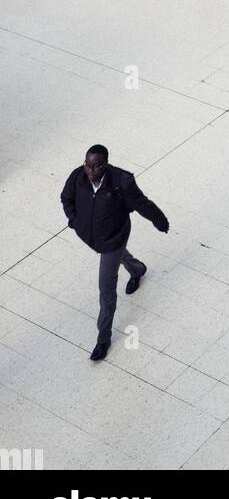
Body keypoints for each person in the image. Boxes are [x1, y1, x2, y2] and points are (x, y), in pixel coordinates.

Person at [61, 144, 169, 361]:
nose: (90, 171)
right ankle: (137, 269)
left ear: (106, 165)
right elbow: (66, 198)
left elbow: (142, 204)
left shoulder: (121, 182)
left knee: (106, 290)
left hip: (113, 238)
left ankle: (103, 339)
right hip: (92, 236)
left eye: (96, 166)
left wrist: (159, 220)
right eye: (87, 165)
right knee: (121, 258)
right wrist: (74, 220)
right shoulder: (77, 176)